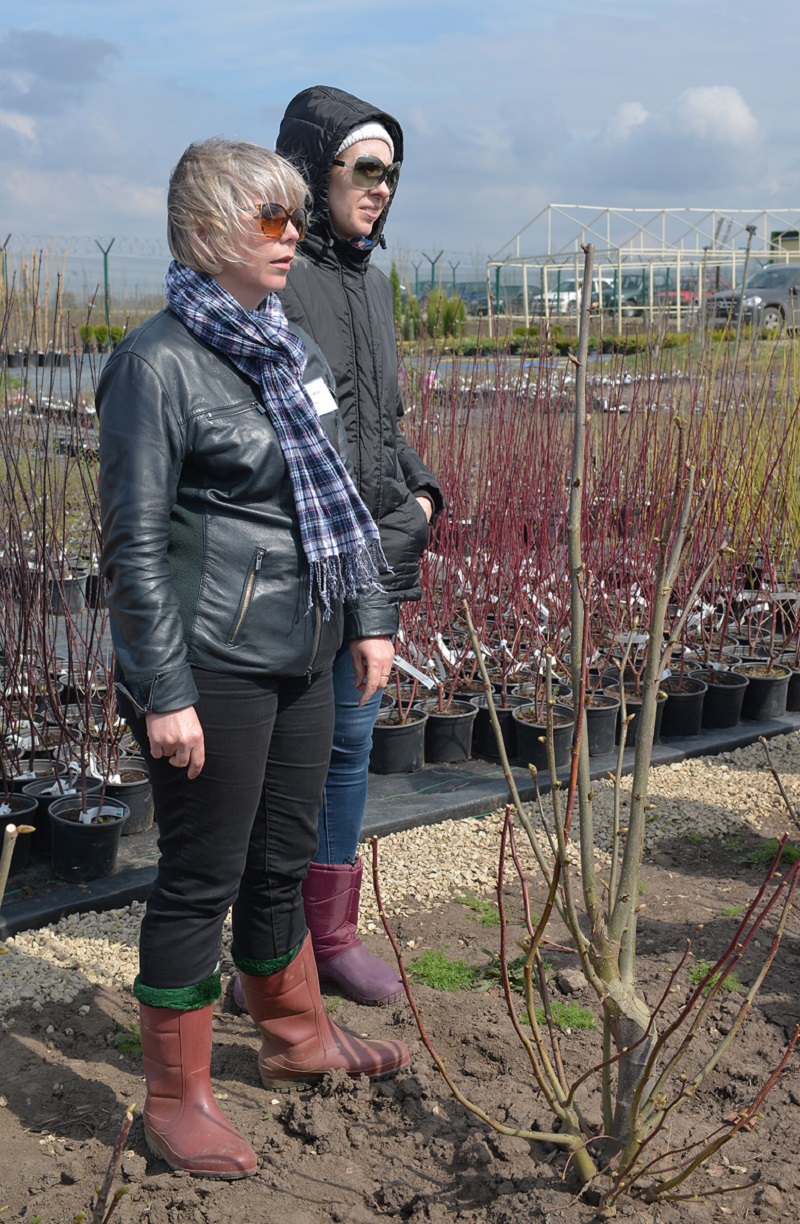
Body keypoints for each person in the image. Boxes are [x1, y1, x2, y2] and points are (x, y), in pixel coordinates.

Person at [97, 138, 409, 1181]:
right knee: (200, 878)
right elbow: (132, 549)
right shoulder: (155, 365)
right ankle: (175, 1097)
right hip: (214, 664)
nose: (294, 237)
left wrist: (369, 617)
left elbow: (345, 505)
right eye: (270, 220)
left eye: (294, 218)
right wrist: (164, 691)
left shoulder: (290, 350)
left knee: (280, 861)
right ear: (204, 233)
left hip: (305, 651)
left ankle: (292, 1037)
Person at [229, 86, 443, 1011]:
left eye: (391, 172)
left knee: (350, 747)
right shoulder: (278, 281)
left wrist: (426, 487)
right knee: (278, 764)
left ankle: (333, 934)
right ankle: (264, 957)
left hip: (374, 556)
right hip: (300, 564)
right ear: (313, 170)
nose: (382, 188)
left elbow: (376, 426)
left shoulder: (372, 280)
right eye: (365, 168)